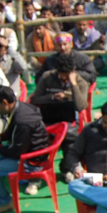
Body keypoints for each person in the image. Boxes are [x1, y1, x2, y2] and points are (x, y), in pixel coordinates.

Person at [30, 52, 88, 181]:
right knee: (40, 138)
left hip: (69, 122)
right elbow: (35, 99)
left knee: (71, 144)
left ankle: (66, 169)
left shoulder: (81, 82)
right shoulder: (47, 77)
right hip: (48, 119)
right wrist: (52, 97)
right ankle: (36, 174)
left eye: (68, 75)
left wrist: (73, 87)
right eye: (62, 76)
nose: (65, 79)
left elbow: (81, 106)